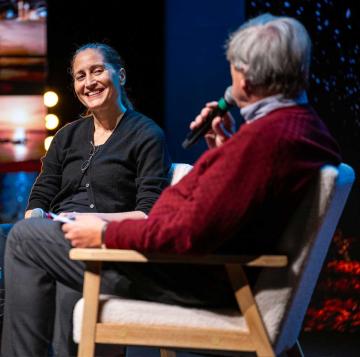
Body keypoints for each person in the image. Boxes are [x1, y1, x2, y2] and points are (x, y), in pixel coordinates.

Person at [2, 14, 341, 356]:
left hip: (184, 277)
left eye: (232, 68)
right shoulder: (298, 129)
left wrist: (104, 234)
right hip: (189, 268)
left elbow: (185, 232)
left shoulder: (265, 140)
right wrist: (226, 150)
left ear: (247, 78)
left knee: (24, 238)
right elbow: (240, 198)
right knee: (18, 234)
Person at [1, 42, 171, 356]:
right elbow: (42, 193)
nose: (88, 82)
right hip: (61, 241)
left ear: (119, 75)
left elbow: (149, 214)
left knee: (23, 240)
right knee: (11, 232)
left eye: (96, 70)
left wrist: (93, 222)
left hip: (111, 254)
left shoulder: (146, 135)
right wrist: (36, 215)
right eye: (80, 76)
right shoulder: (66, 136)